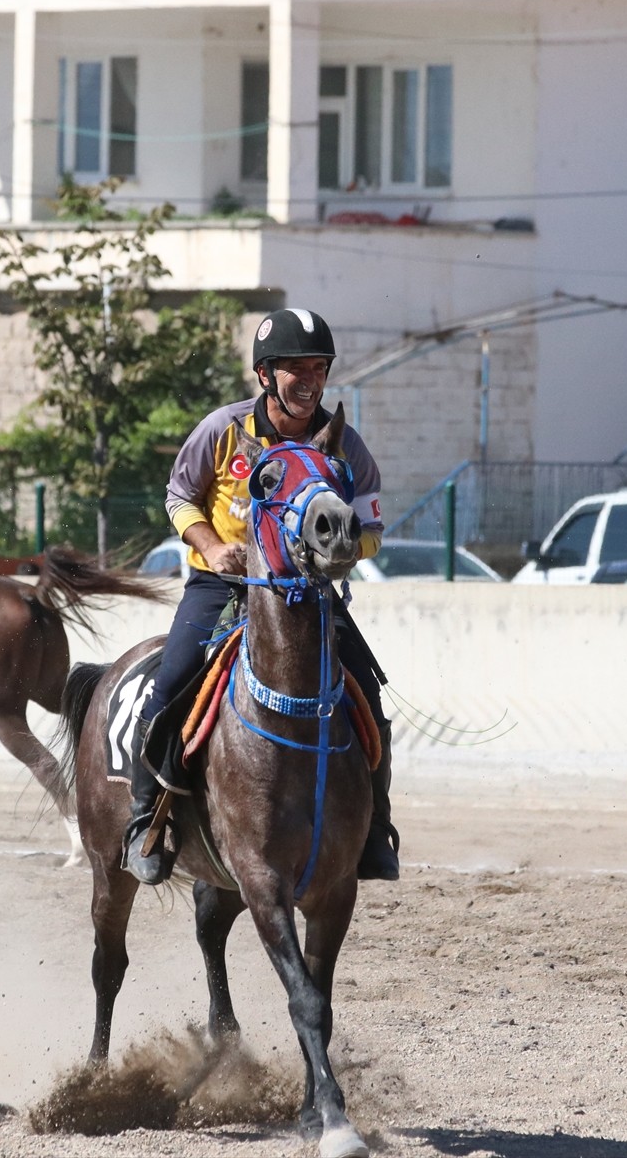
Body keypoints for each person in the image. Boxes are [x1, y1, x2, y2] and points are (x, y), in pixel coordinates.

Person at [123, 307, 399, 885]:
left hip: (307, 593)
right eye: (297, 369)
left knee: (367, 694)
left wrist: (349, 549)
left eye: (319, 368)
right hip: (222, 584)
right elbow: (179, 497)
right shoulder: (222, 429)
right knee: (170, 683)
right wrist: (211, 546)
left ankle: (375, 829)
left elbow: (371, 523)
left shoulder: (343, 444)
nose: (310, 381)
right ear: (265, 374)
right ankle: (147, 818)